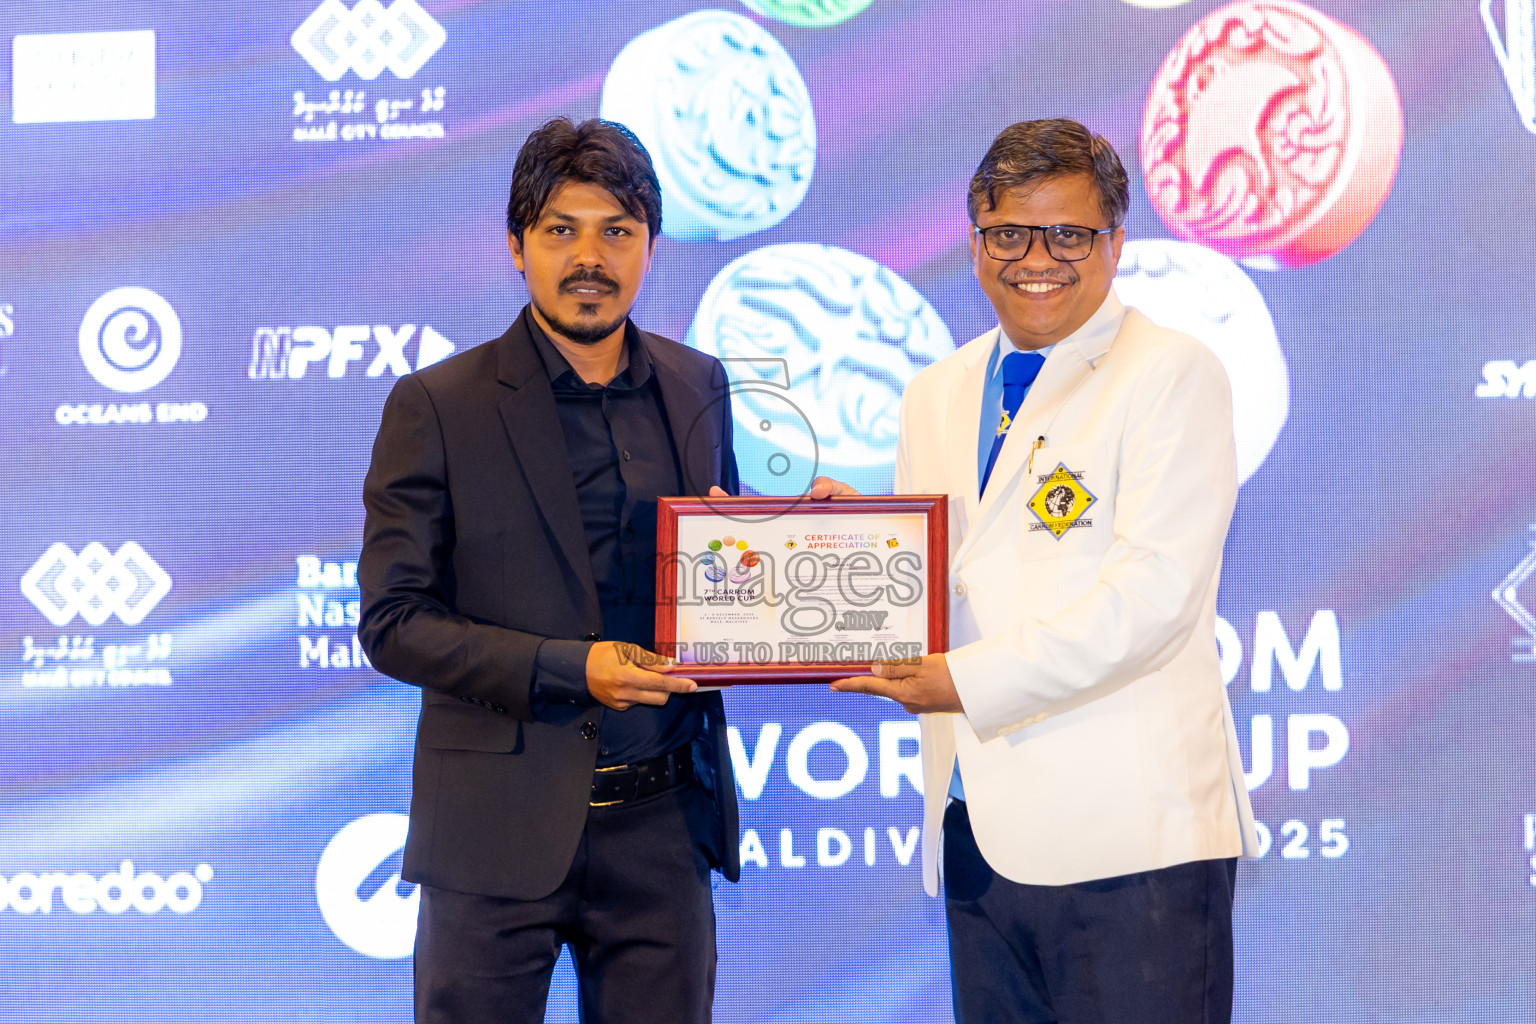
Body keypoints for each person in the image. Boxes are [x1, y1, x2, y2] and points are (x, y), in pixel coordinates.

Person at [832, 118, 1259, 1024]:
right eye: (1009, 233)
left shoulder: (1172, 375)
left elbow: (1151, 603)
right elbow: (954, 573)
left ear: (1115, 241)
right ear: (975, 237)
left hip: (1130, 845)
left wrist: (960, 678)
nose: (1038, 258)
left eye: (1069, 234)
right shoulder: (936, 391)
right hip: (977, 831)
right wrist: (853, 548)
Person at [358, 116, 740, 1024]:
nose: (589, 257)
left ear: (651, 245)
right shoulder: (438, 405)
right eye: (560, 230)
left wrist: (810, 544)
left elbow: (727, 576)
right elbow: (394, 622)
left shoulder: (700, 385)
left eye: (617, 230)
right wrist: (575, 670)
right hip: (494, 831)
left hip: (661, 827)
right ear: (516, 246)